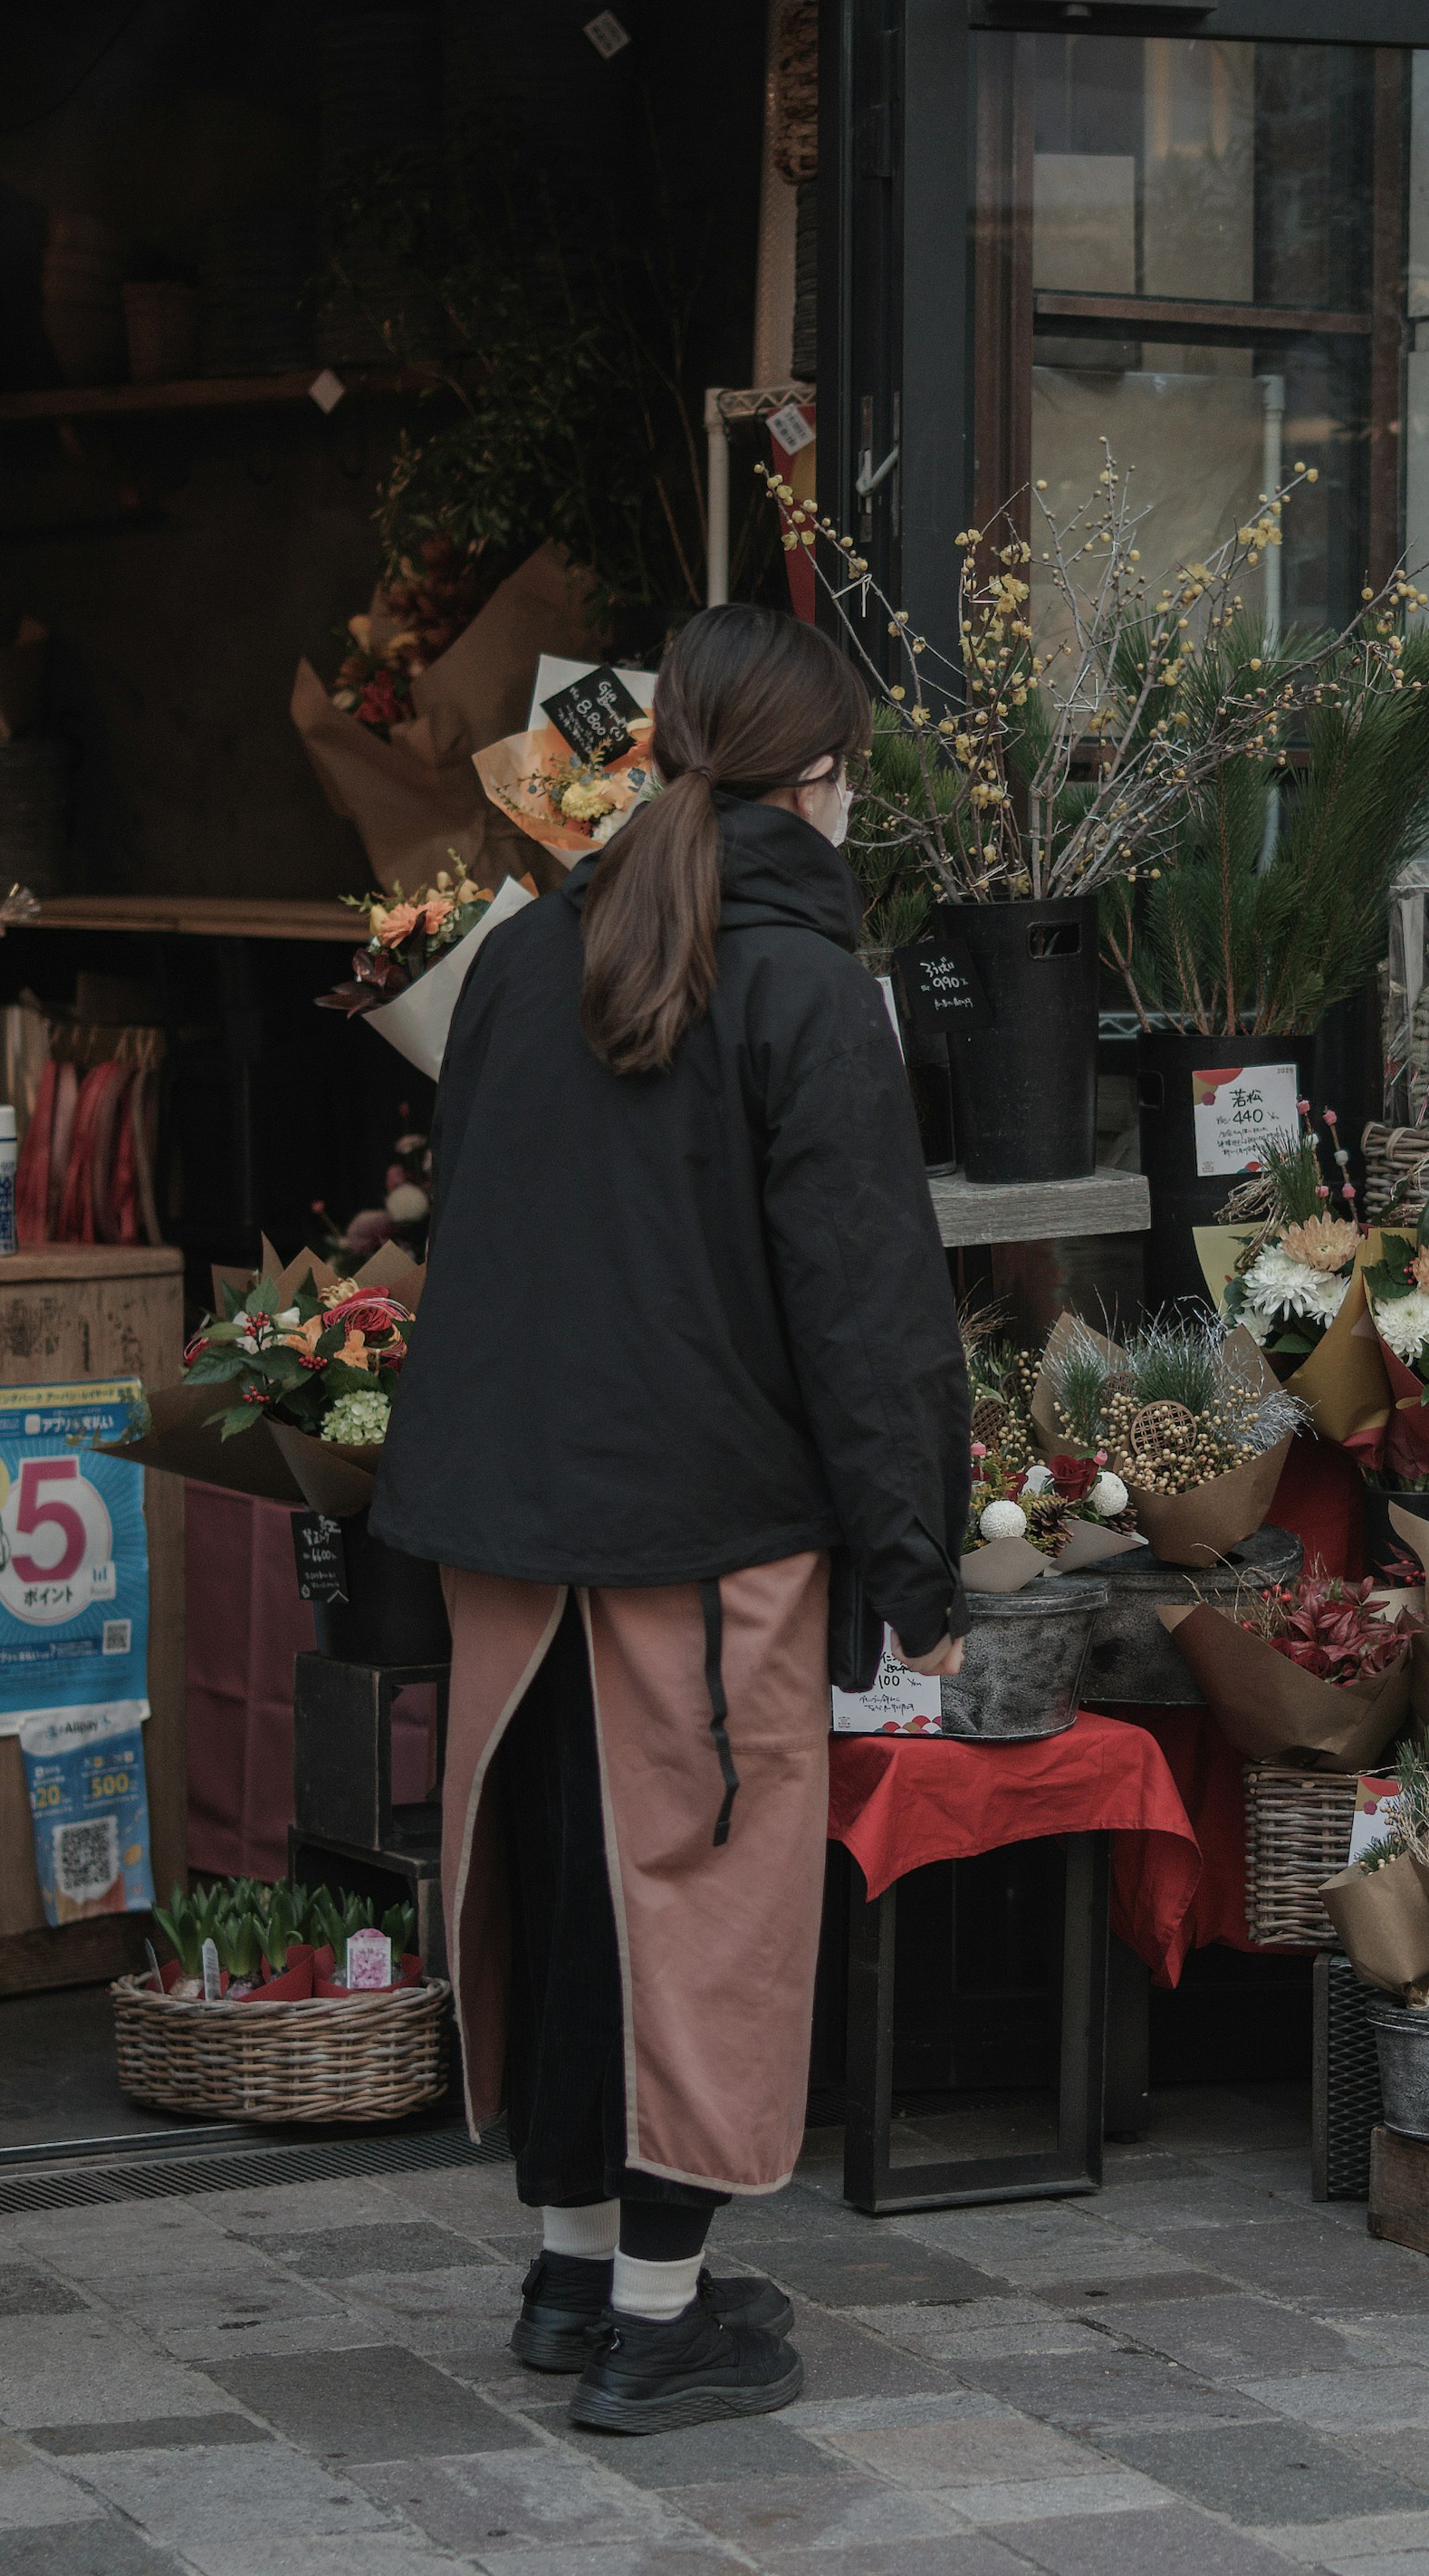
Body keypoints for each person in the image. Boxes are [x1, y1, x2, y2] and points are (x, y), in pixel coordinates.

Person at [372, 605, 969, 2434]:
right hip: (705, 1539)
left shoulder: (516, 961)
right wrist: (916, 1570)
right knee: (693, 1906)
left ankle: (574, 2276)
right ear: (824, 779)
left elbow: (463, 1233)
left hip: (509, 1528)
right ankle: (658, 2318)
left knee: (557, 1888)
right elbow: (866, 1309)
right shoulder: (803, 982)